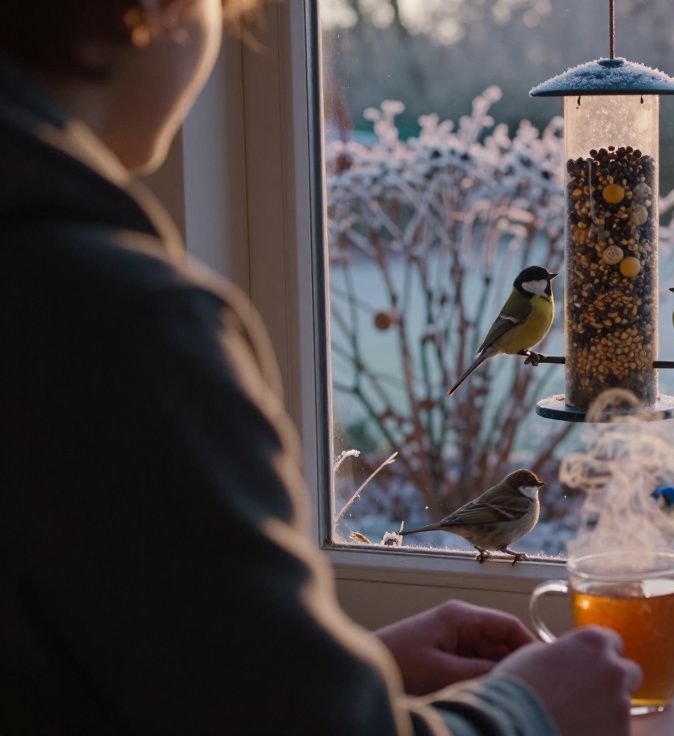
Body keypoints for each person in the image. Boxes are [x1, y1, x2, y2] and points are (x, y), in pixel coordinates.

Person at [0, 2, 640, 733]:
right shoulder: (122, 324)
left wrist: (350, 672)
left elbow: (107, 658)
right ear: (154, 13)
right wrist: (525, 711)